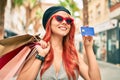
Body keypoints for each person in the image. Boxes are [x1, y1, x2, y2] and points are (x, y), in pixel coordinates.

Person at [17, 6, 101, 80]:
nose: (64, 22)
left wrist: (89, 47)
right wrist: (40, 56)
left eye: (68, 20)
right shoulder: (37, 49)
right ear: (49, 23)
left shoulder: (73, 53)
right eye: (59, 18)